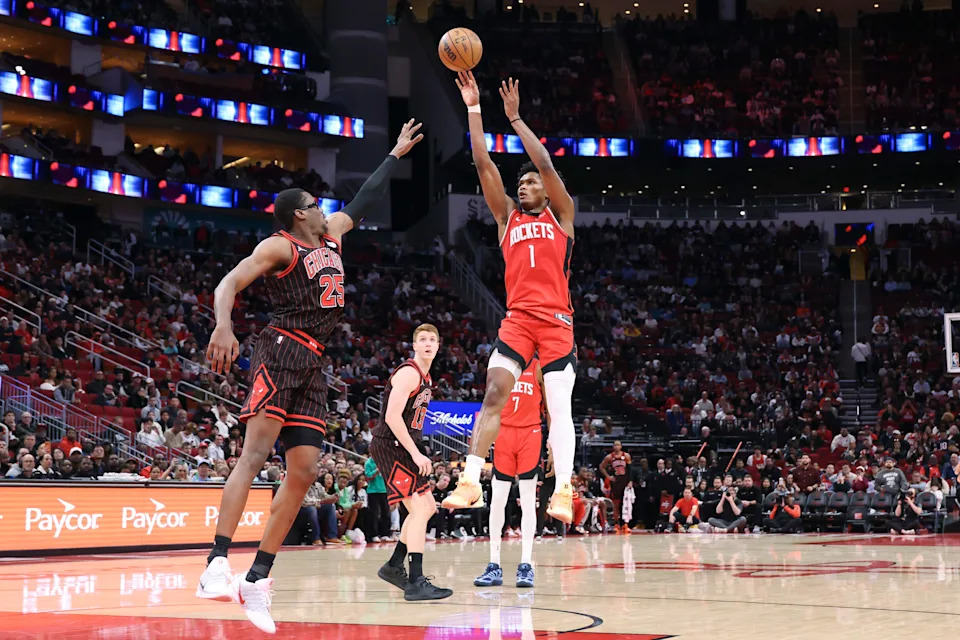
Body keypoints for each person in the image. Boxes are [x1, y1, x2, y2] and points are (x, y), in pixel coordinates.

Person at [196, 121, 422, 634]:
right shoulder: (280, 247)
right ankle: (216, 562)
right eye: (317, 204)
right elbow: (229, 281)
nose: (327, 209)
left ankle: (256, 577)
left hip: (316, 363)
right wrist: (223, 325)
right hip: (280, 350)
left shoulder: (334, 233)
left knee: (302, 474)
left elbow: (364, 198)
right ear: (300, 213)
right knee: (254, 456)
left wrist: (393, 153)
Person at [442, 71, 577, 526]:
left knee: (558, 406)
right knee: (494, 393)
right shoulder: (506, 220)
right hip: (518, 320)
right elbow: (483, 165)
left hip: (557, 321)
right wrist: (474, 108)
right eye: (521, 183)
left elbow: (548, 165)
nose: (525, 185)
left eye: (531, 182)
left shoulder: (562, 218)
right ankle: (469, 479)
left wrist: (516, 120)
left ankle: (562, 489)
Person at [369, 324, 452, 601]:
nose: (428, 343)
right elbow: (392, 417)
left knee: (427, 508)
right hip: (390, 445)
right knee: (418, 509)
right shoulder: (408, 373)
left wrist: (416, 449)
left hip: (403, 445)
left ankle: (394, 566)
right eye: (423, 340)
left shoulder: (426, 378)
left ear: (438, 346)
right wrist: (416, 453)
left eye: (432, 340)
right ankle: (415, 580)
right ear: (414, 345)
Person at [474, 358, 545, 589]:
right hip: (503, 432)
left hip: (530, 432)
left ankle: (526, 564)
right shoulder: (500, 364)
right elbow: (490, 403)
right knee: (497, 501)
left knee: (527, 500)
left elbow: (553, 405)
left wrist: (554, 442)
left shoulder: (538, 366)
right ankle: (494, 564)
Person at [599, 441, 632, 533]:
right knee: (616, 504)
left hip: (625, 481)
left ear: (621, 446)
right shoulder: (609, 457)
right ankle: (616, 523)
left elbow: (630, 470)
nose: (617, 447)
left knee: (626, 503)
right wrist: (608, 477)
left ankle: (625, 523)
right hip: (615, 482)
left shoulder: (626, 456)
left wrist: (630, 481)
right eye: (615, 445)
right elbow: (601, 467)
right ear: (613, 447)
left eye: (618, 445)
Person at [364, 454, 391, 542]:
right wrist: (377, 470)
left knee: (386, 513)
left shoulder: (384, 462)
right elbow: (368, 476)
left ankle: (385, 534)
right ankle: (374, 534)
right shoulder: (368, 463)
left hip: (384, 490)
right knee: (374, 514)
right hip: (373, 491)